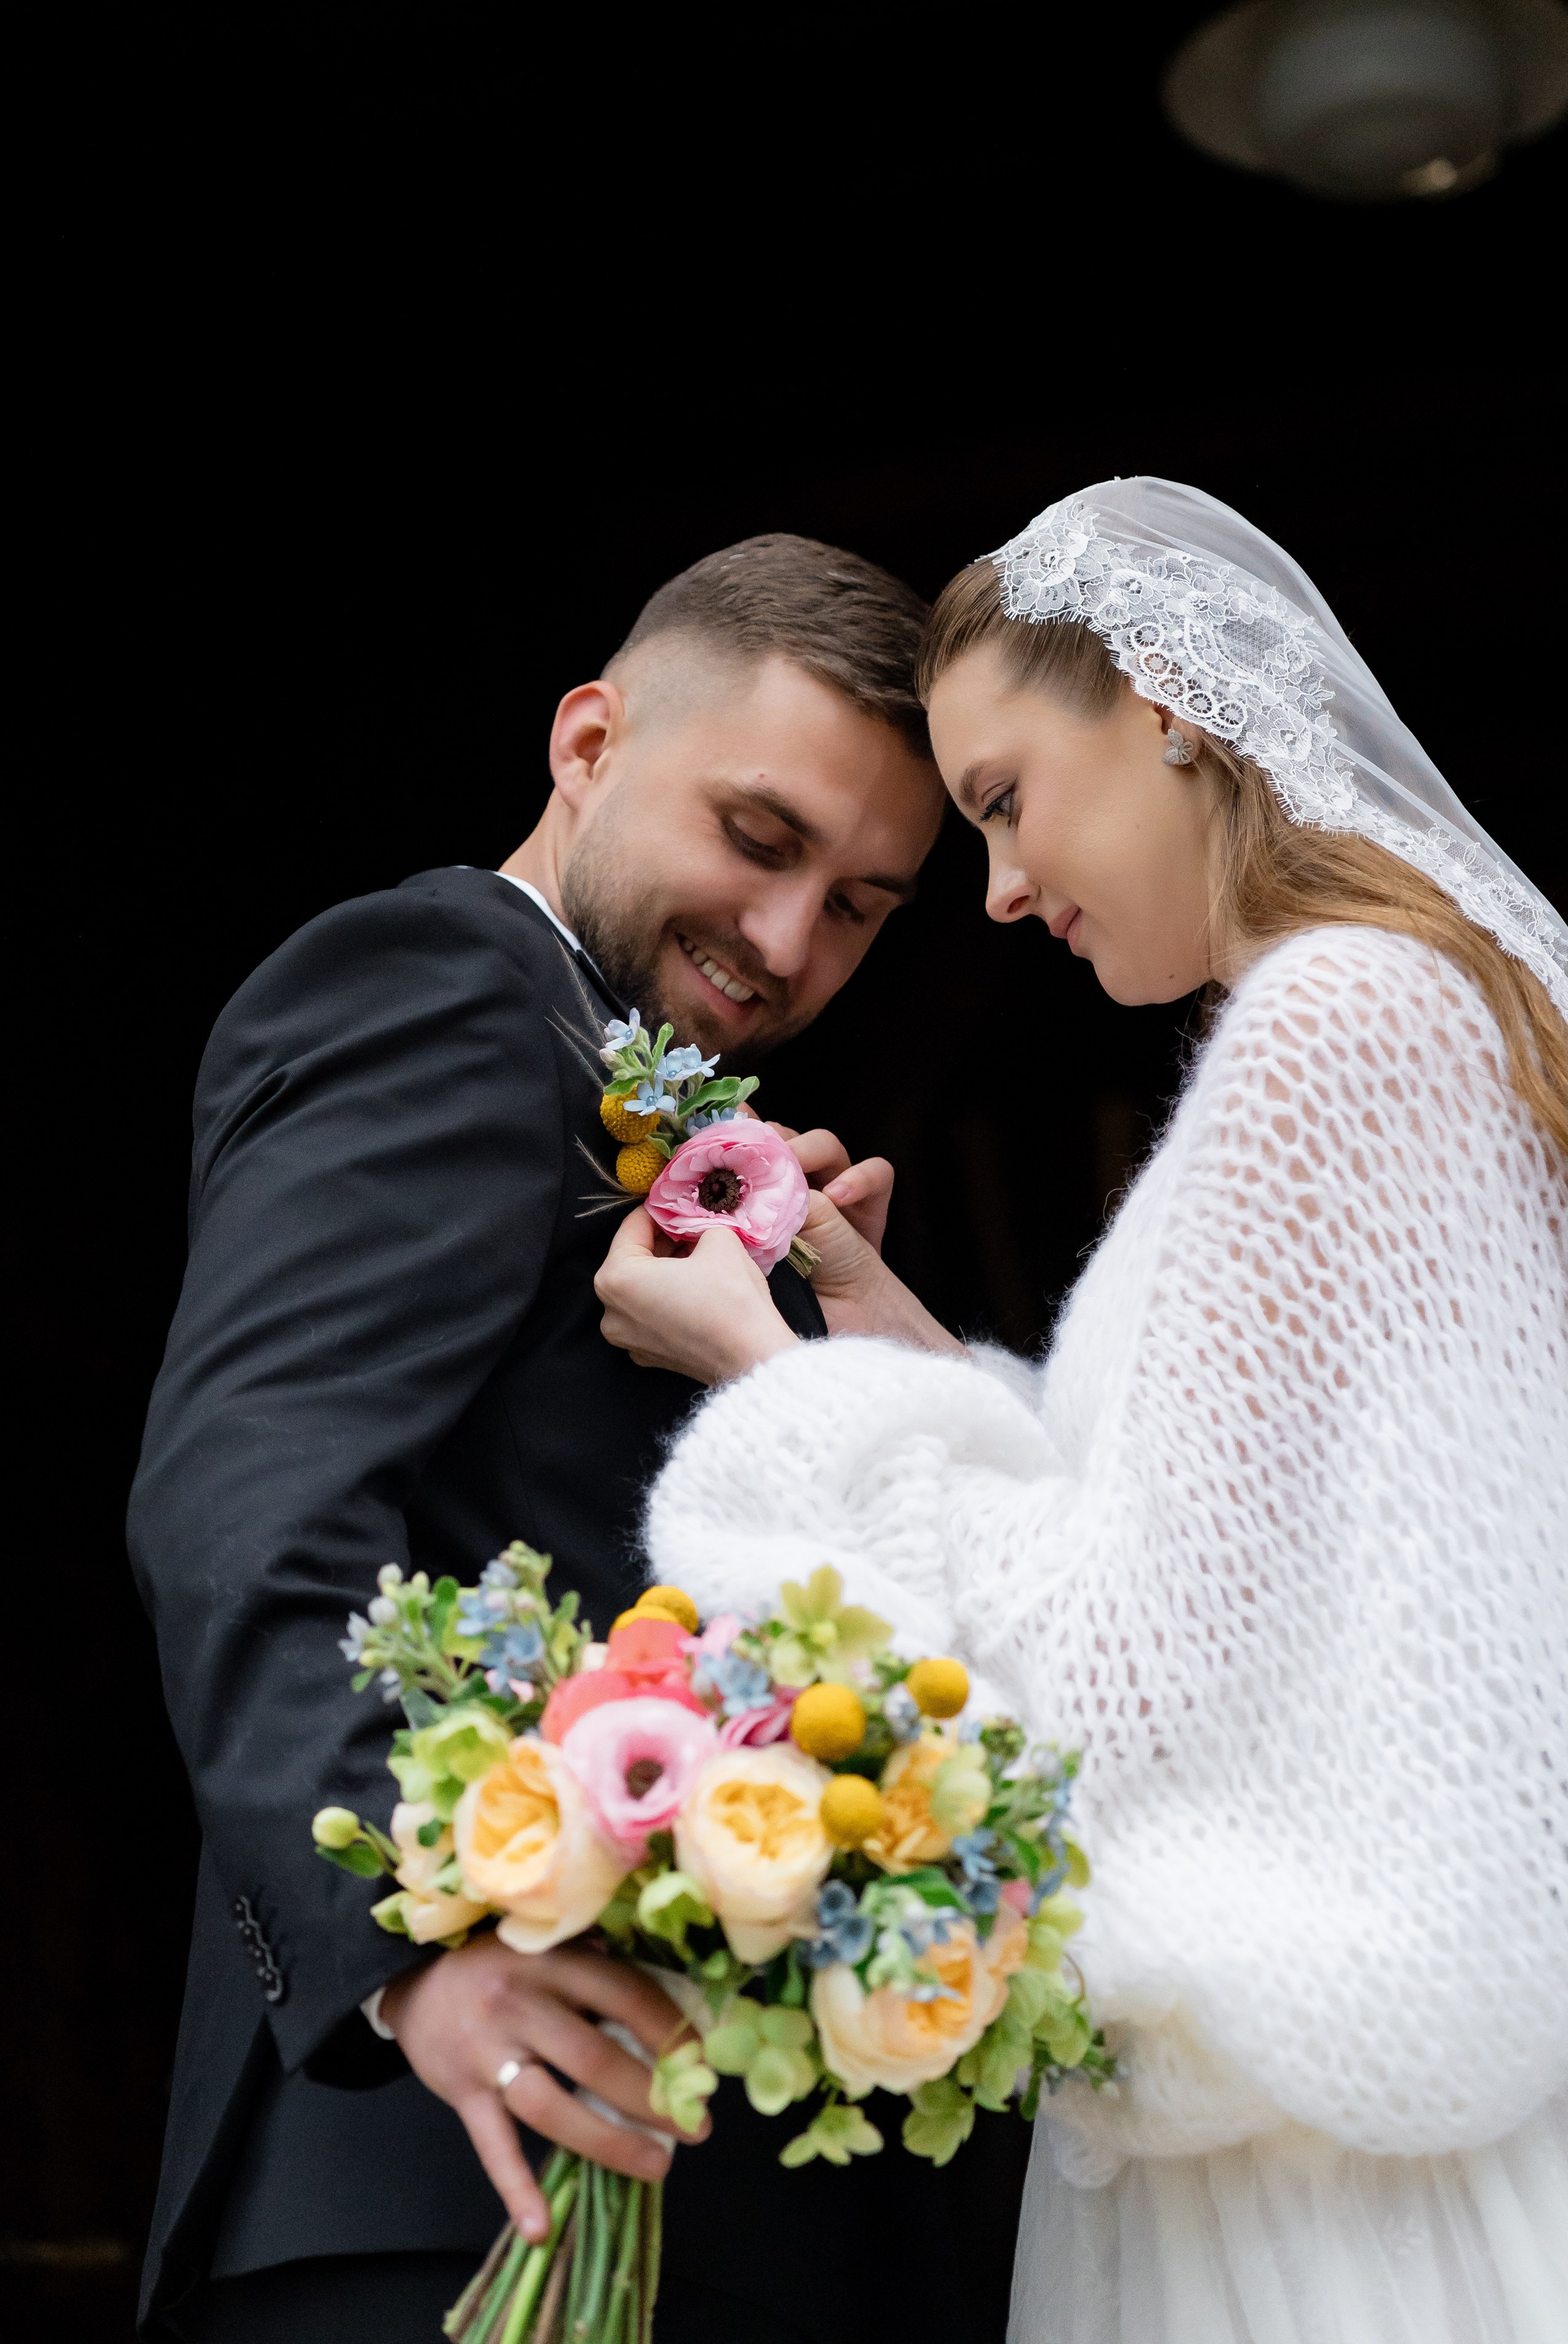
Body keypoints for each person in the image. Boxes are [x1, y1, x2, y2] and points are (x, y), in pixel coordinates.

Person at [597, 481, 1568, 2344]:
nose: (1004, 890)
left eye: (1002, 801)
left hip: (1313, 2197)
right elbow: (1232, 1547)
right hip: (1335, 2134)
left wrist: (774, 1381)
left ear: (1166, 711)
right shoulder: (1414, 1009)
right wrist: (904, 1350)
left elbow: (1128, 1680)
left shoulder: (1335, 1022)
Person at [130, 530, 1043, 2344]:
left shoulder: (639, 1080)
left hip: (664, 2194)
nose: (787, 943)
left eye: (860, 902)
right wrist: (420, 1950)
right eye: (759, 839)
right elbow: (249, 1497)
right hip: (453, 2191)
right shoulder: (441, 987)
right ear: (588, 742)